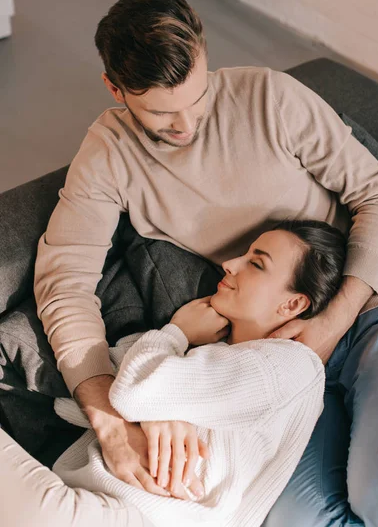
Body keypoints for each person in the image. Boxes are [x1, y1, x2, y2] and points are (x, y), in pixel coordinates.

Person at [1, 0, 378, 526]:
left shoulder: (271, 98)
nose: (187, 127)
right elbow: (63, 283)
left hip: (373, 304)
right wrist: (111, 422)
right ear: (115, 89)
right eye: (162, 115)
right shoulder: (108, 155)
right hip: (268, 366)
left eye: (197, 98)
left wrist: (331, 323)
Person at [1, 220, 344, 527]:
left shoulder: (293, 366)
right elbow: (74, 403)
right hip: (84, 498)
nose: (230, 264)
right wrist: (159, 397)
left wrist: (176, 332)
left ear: (292, 305)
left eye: (256, 263)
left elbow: (131, 392)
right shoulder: (212, 354)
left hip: (131, 516)